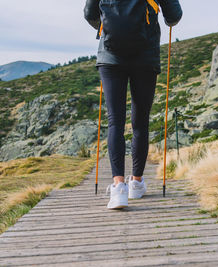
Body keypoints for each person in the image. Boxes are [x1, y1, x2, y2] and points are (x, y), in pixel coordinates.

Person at [84, 0, 182, 209]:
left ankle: (119, 187)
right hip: (145, 58)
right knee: (140, 123)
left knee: (115, 122)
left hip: (110, 57)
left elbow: (89, 13)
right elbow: (174, 16)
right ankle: (136, 183)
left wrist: (110, 29)